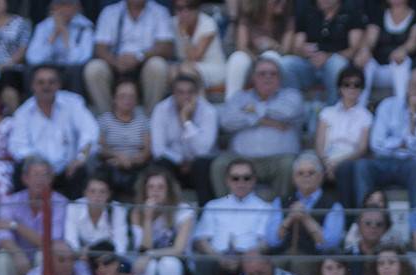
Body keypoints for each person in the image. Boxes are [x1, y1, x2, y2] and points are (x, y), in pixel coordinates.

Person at [347, 64, 416, 207]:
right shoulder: (387, 105)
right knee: (362, 166)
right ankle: (363, 219)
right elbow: (376, 144)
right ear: (408, 86)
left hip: (412, 165)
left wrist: (413, 114)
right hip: (384, 162)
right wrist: (402, 143)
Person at [217, 54, 303, 199]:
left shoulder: (291, 96)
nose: (267, 77)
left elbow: (287, 112)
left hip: (279, 159)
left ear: (280, 78)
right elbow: (226, 121)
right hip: (241, 158)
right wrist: (265, 121)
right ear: (253, 78)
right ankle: (226, 209)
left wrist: (250, 111)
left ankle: (280, 213)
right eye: (262, 74)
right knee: (220, 164)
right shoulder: (239, 97)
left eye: (273, 74)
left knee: (289, 164)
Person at [9, 64, 99, 197]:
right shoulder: (23, 112)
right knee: (20, 170)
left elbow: (91, 133)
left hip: (68, 169)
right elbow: (18, 145)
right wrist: (40, 167)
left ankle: (75, 215)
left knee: (81, 170)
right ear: (33, 86)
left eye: (51, 82)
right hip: (37, 170)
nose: (46, 87)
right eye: (41, 82)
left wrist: (79, 159)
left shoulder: (73, 103)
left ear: (58, 85)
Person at [193, 156, 279, 275]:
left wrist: (245, 258)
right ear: (227, 180)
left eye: (246, 178)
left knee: (256, 264)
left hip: (248, 258)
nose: (241, 182)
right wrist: (219, 258)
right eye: (235, 178)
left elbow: (265, 243)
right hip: (217, 257)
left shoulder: (265, 207)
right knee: (203, 263)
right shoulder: (213, 206)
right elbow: (201, 240)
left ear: (254, 180)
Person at [84, 0, 174, 114]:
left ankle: (150, 120)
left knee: (158, 65)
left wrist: (139, 57)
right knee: (94, 68)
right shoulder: (110, 11)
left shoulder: (159, 11)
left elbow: (166, 47)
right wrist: (115, 62)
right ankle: (107, 119)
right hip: (116, 63)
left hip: (145, 62)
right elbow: (100, 47)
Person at [0, 156, 68, 275]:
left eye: (45, 175)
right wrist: (18, 253)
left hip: (43, 255)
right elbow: (2, 237)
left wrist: (15, 225)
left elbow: (50, 243)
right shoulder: (10, 201)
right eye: (36, 175)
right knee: (3, 258)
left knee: (43, 255)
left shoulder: (60, 203)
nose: (40, 180)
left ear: (51, 179)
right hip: (18, 253)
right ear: (25, 178)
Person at [149, 71, 217, 201]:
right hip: (174, 165)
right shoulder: (161, 109)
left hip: (198, 165)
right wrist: (180, 160)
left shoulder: (209, 111)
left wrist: (186, 121)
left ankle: (204, 213)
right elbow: (158, 149)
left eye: (190, 92)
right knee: (161, 164)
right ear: (173, 93)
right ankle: (164, 211)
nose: (186, 97)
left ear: (196, 93)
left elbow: (203, 150)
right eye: (180, 92)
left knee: (201, 165)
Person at [284, 0, 367, 102]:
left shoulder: (350, 10)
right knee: (287, 63)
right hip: (310, 63)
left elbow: (353, 49)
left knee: (337, 63)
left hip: (336, 64)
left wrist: (328, 56)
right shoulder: (307, 8)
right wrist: (303, 50)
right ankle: (293, 104)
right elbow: (297, 45)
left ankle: (332, 109)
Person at [129, 166, 193, 275]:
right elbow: (143, 250)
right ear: (145, 190)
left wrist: (150, 255)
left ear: (168, 190)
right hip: (147, 261)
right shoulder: (137, 213)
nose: (155, 191)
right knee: (150, 267)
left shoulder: (183, 211)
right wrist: (147, 218)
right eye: (151, 187)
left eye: (160, 187)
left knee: (168, 263)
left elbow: (178, 249)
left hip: (179, 261)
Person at [270, 151, 345, 258]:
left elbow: (329, 245)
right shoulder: (279, 202)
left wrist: (306, 218)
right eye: (300, 173)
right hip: (282, 258)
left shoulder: (334, 206)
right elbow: (272, 241)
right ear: (293, 178)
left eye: (311, 173)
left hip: (314, 262)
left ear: (320, 176)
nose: (305, 176)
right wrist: (289, 218)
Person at [316, 65, 371, 195]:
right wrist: (326, 162)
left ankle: (347, 214)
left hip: (349, 159)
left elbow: (362, 149)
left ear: (362, 89)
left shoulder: (366, 116)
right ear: (340, 87)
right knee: (309, 168)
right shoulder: (327, 113)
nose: (351, 88)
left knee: (346, 169)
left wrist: (338, 163)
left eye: (356, 85)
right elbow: (319, 144)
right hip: (327, 158)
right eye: (347, 84)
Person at [358, 0, 416, 104]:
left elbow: (413, 42)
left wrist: (403, 50)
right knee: (367, 62)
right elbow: (370, 39)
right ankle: (360, 105)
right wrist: (365, 51)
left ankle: (400, 104)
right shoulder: (379, 14)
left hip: (401, 71)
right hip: (379, 71)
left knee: (402, 61)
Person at [26, 0, 95, 96]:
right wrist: (54, 35)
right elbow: (33, 58)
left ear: (77, 8)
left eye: (68, 5)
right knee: (31, 70)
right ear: (53, 8)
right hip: (48, 66)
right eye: (60, 5)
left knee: (75, 71)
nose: (64, 9)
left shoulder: (85, 27)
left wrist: (65, 34)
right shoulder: (43, 26)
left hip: (71, 70)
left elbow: (79, 60)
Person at [94, 78, 151, 194]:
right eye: (122, 96)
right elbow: (101, 148)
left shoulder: (143, 121)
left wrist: (130, 160)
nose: (127, 100)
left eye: (131, 97)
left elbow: (146, 152)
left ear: (136, 100)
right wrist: (118, 157)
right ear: (114, 99)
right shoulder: (104, 120)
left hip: (136, 165)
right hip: (111, 164)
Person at [171, 0, 224, 96]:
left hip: (212, 68)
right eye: (179, 8)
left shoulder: (208, 23)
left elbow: (195, 57)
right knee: (172, 71)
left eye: (190, 7)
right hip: (186, 66)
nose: (185, 12)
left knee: (186, 70)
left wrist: (184, 34)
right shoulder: (172, 23)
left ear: (197, 9)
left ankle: (200, 107)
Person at [65, 174, 129, 251]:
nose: (97, 196)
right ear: (85, 193)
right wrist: (80, 255)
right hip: (81, 256)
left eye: (102, 192)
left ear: (109, 194)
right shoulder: (73, 208)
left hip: (108, 257)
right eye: (92, 191)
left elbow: (120, 244)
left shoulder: (117, 210)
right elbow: (71, 241)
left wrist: (113, 260)